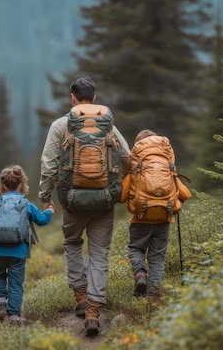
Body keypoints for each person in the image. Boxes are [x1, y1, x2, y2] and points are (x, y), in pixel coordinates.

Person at [38, 76, 131, 336]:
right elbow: (127, 157)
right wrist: (117, 184)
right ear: (94, 98)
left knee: (72, 244)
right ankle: (93, 312)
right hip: (104, 200)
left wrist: (45, 196)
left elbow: (48, 165)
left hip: (72, 201)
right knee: (100, 252)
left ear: (72, 97)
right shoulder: (108, 125)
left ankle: (80, 297)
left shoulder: (61, 125)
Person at [0, 165, 55, 325]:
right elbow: (42, 220)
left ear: (2, 186)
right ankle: (15, 317)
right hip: (19, 250)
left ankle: (1, 304)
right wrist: (49, 210)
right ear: (21, 184)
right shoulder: (26, 203)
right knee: (16, 282)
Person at [124, 129, 191, 299]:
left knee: (135, 249)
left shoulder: (137, 169)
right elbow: (185, 193)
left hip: (140, 218)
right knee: (157, 258)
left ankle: (140, 275)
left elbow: (121, 196)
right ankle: (154, 296)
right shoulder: (167, 166)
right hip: (164, 218)